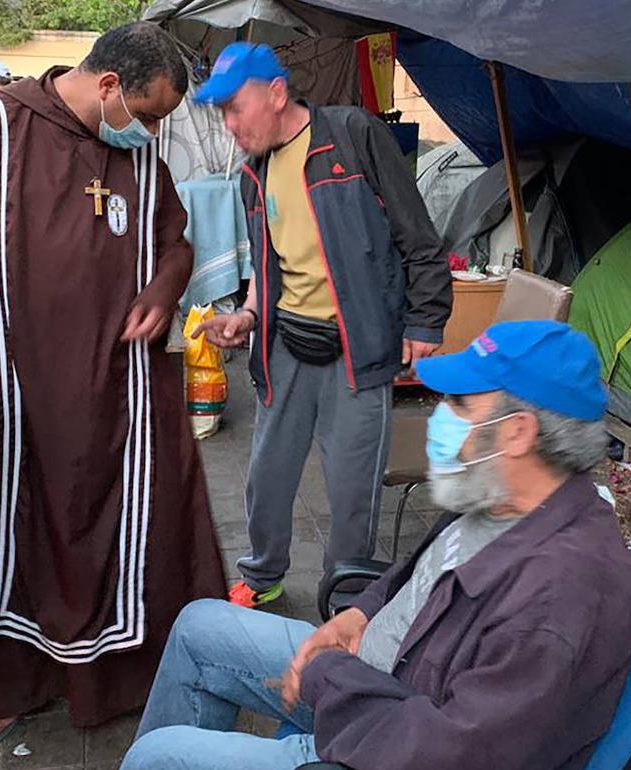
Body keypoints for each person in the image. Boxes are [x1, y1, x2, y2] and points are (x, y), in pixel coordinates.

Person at [123, 320, 631, 770]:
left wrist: (326, 676)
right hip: (376, 677)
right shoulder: (509, 496)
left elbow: (453, 753)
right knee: (198, 627)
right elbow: (428, 576)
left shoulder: (558, 595)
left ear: (516, 433)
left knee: (160, 755)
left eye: (460, 404)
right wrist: (364, 612)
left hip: (385, 738)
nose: (440, 415)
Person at [0, 21, 227, 741]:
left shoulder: (139, 158)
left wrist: (163, 288)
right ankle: (10, 682)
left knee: (137, 526)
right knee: (12, 531)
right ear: (110, 84)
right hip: (20, 394)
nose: (151, 132)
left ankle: (118, 681)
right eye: (147, 114)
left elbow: (174, 241)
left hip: (119, 393)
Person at [191, 43, 453, 608]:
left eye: (236, 108)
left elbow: (418, 236)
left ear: (277, 92)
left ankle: (345, 594)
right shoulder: (252, 174)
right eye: (222, 114)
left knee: (353, 490)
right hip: (285, 344)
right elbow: (269, 264)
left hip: (357, 348)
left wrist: (427, 321)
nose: (229, 126)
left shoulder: (354, 137)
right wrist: (249, 315)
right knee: (268, 475)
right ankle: (263, 576)